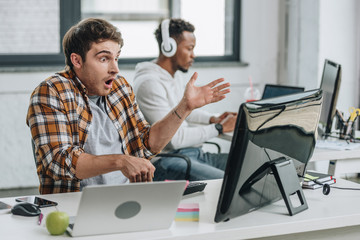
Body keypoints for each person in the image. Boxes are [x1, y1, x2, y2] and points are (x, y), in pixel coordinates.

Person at [26, 18, 230, 194]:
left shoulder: (120, 88)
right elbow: (58, 161)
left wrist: (186, 107)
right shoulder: (51, 92)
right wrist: (121, 161)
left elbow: (146, 144)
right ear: (77, 60)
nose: (115, 69)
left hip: (127, 197)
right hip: (75, 204)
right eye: (104, 58)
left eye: (116, 58)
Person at [133, 18, 237, 181]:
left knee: (248, 168)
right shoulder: (149, 83)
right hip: (169, 161)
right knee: (229, 183)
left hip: (193, 154)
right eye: (189, 48)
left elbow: (183, 111)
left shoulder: (172, 77)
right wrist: (218, 128)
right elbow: (174, 139)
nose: (193, 55)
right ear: (169, 47)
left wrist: (212, 119)